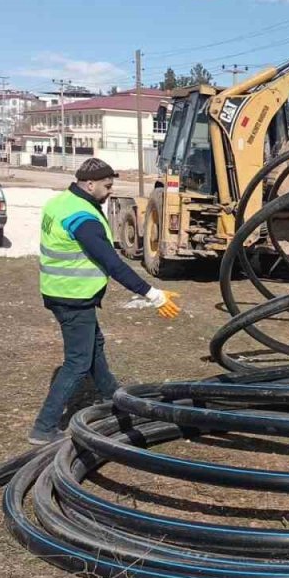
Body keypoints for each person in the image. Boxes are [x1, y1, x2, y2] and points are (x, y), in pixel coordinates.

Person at [29, 158, 181, 445]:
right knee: (77, 363)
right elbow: (114, 264)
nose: (111, 191)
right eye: (107, 186)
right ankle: (44, 427)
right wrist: (154, 294)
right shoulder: (83, 219)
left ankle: (111, 396)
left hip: (59, 291)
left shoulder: (60, 202)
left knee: (94, 346)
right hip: (73, 296)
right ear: (89, 184)